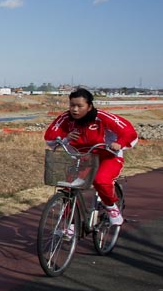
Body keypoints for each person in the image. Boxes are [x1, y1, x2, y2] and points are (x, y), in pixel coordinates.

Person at [44, 88, 138, 225]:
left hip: (108, 156)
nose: (75, 110)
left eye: (79, 106)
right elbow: (50, 138)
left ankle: (111, 207)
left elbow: (129, 133)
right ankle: (69, 224)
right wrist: (65, 137)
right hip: (82, 157)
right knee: (69, 187)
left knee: (101, 180)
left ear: (89, 107)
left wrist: (119, 143)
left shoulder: (102, 117)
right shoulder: (65, 118)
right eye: (72, 105)